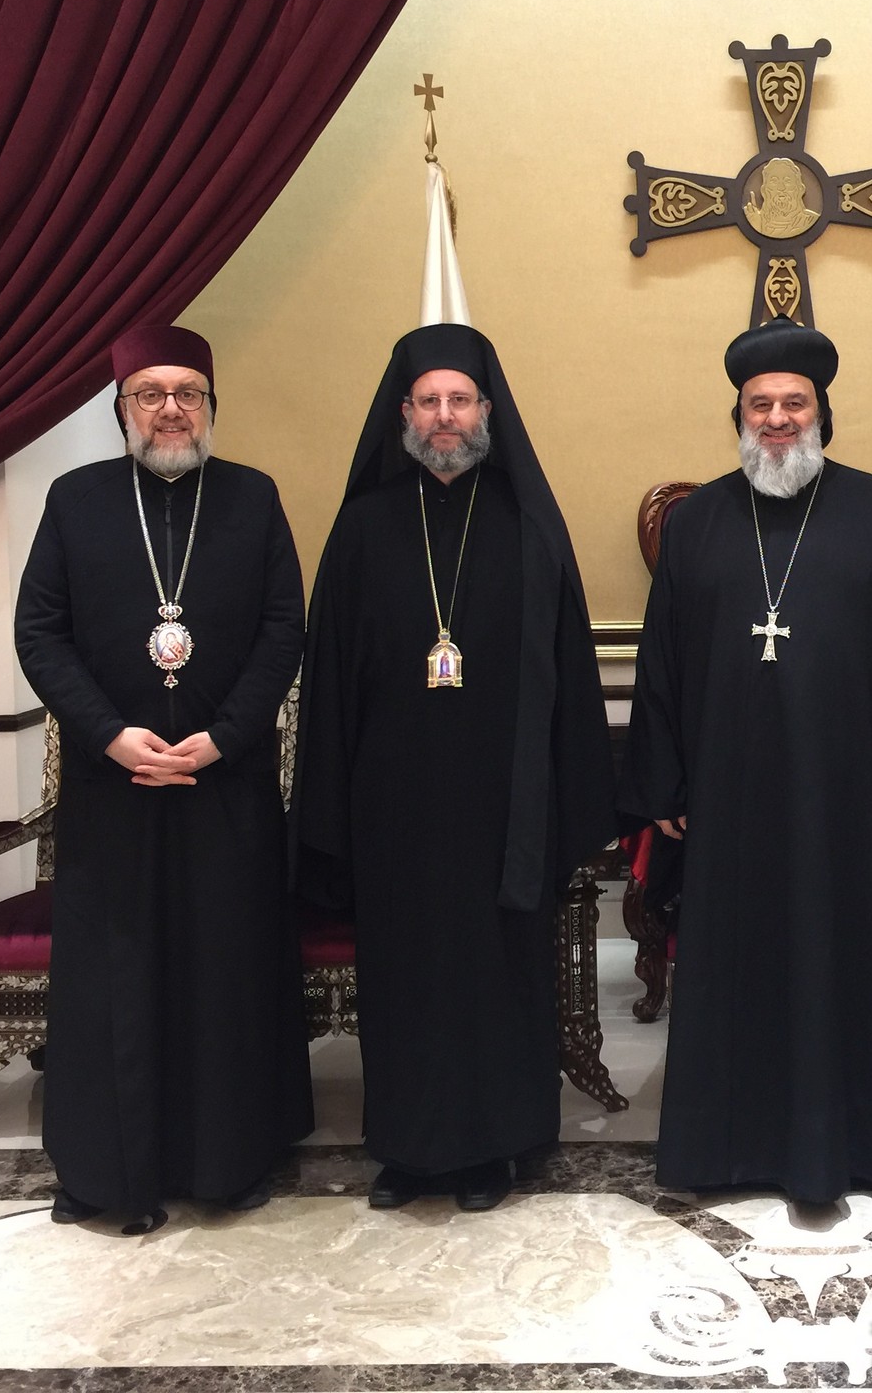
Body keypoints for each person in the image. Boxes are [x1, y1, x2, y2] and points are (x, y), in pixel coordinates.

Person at [623, 319, 872, 1205]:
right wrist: (663, 783)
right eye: (760, 405)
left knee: (840, 966)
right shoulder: (696, 521)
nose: (777, 419)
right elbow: (659, 665)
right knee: (732, 967)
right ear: (738, 416)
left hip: (848, 801)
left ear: (822, 414)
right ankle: (720, 1152)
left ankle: (849, 1151)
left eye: (794, 404)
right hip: (727, 801)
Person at [290, 324, 614, 1213]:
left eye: (459, 400)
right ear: (404, 414)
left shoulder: (528, 527)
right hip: (392, 807)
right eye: (428, 401)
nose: (444, 416)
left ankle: (495, 1149)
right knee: (404, 978)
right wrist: (331, 812)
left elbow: (569, 674)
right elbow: (328, 687)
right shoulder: (361, 531)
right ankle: (407, 1150)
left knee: (496, 975)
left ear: (487, 411)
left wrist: (566, 801)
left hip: (504, 804)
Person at [15, 323, 312, 1234]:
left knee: (227, 971)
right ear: (122, 409)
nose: (172, 408)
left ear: (211, 407)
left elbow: (282, 631)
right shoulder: (76, 501)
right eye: (152, 393)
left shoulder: (253, 499)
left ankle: (230, 1162)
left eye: (189, 392)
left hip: (227, 787)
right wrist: (110, 736)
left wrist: (223, 738)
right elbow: (40, 634)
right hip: (117, 791)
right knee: (117, 975)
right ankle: (108, 1171)